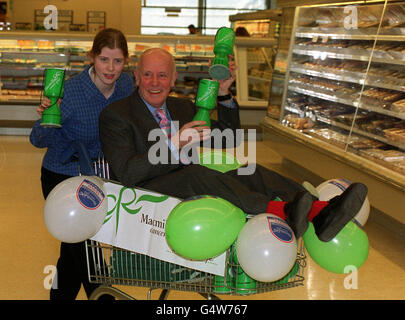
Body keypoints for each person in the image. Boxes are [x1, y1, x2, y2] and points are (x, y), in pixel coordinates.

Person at [99, 48, 367, 245]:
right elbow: (128, 173)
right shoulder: (117, 115)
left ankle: (320, 212)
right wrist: (173, 144)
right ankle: (282, 211)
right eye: (147, 75)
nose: (154, 83)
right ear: (136, 76)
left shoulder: (181, 107)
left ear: (173, 78)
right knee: (198, 174)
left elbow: (229, 136)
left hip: (193, 184)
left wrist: (225, 92)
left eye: (161, 75)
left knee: (250, 170)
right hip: (146, 195)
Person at [30, 28, 134, 300]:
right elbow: (37, 140)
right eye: (103, 59)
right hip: (62, 176)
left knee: (74, 247)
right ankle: (105, 296)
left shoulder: (126, 86)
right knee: (84, 245)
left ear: (126, 61)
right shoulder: (72, 92)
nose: (111, 68)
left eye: (118, 61)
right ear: (92, 57)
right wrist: (47, 114)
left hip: (98, 176)